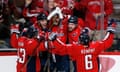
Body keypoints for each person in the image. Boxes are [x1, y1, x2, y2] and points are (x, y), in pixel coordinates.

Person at [48, 22, 115, 72]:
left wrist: (54, 39)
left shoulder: (76, 48)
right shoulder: (95, 45)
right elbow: (107, 42)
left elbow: (61, 48)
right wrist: (110, 32)